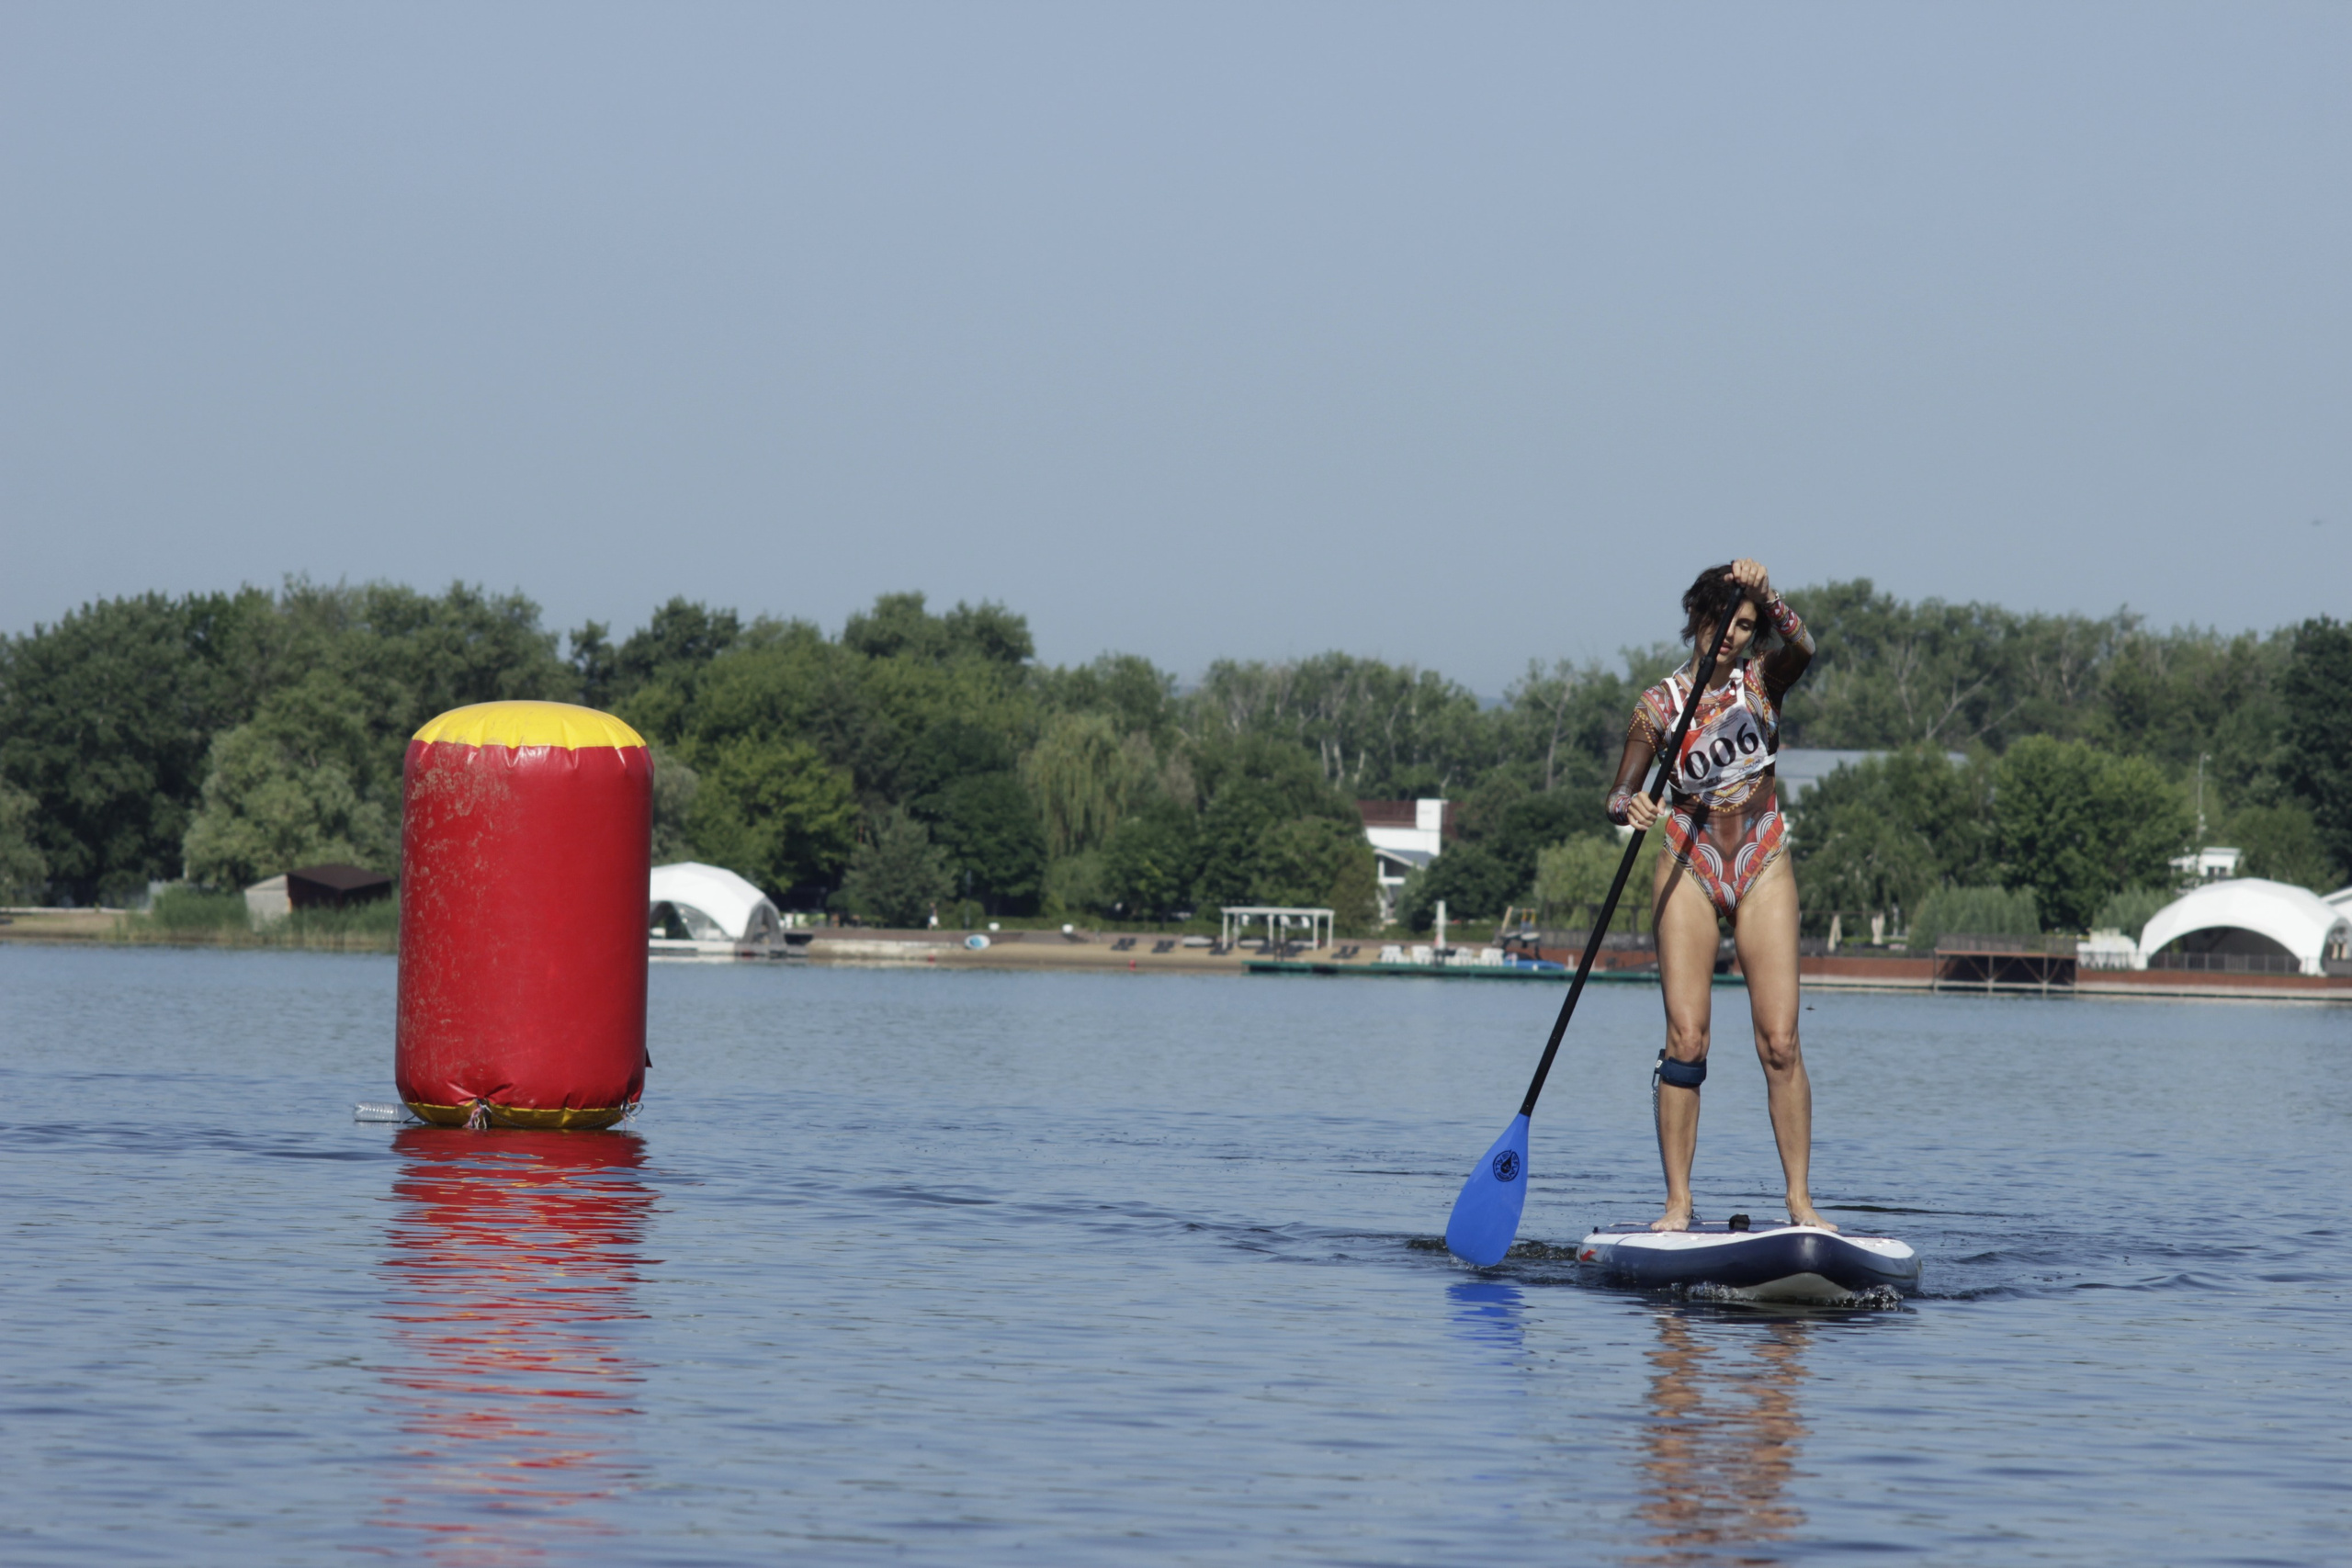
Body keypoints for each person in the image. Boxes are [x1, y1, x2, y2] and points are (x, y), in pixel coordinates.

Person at [1605, 558, 1830, 1233]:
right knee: (1687, 1038)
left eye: (1746, 625)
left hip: (1762, 857)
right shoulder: (1659, 705)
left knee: (1780, 1041)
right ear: (1699, 617)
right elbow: (1619, 792)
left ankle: (1799, 1201)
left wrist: (1769, 596)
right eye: (1725, 620)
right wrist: (1628, 807)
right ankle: (1678, 1203)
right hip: (1687, 859)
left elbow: (1806, 647)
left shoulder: (1766, 679)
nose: (1733, 635)